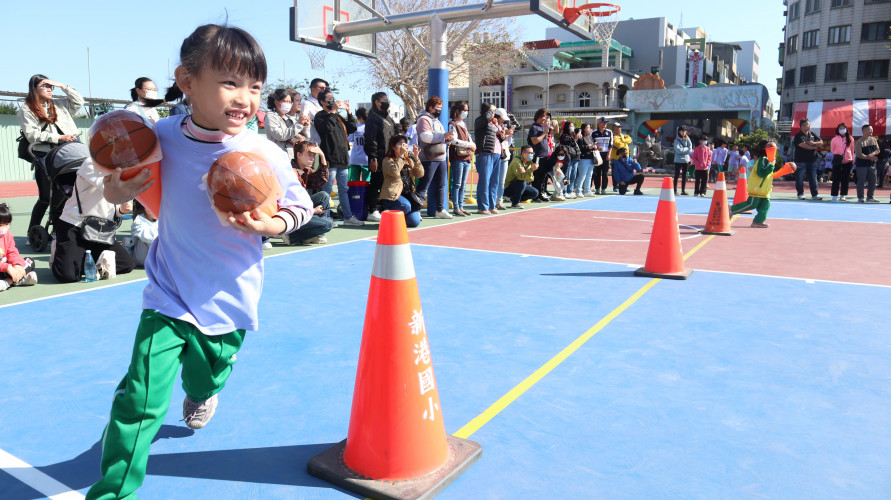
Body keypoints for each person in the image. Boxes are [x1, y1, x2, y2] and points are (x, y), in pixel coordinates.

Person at [84, 24, 314, 500]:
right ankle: (113, 492)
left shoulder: (262, 152)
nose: (245, 97)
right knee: (140, 398)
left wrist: (273, 225)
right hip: (167, 293)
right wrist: (115, 188)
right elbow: (112, 183)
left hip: (230, 296)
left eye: (255, 86)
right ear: (186, 82)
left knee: (207, 374)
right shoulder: (157, 137)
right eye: (230, 82)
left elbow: (302, 205)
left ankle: (204, 391)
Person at [50, 153, 136, 283]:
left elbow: (111, 204)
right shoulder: (91, 163)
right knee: (67, 276)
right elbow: (109, 188)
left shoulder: (118, 169)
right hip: (75, 226)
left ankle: (83, 259)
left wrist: (121, 210)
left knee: (126, 264)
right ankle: (59, 250)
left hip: (100, 230)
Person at [17, 74, 85, 235]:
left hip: (70, 152)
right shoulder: (26, 109)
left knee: (67, 193)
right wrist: (59, 138)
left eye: (51, 86)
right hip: (46, 154)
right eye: (45, 86)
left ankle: (58, 231)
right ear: (34, 89)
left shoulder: (58, 104)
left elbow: (79, 102)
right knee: (46, 197)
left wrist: (62, 86)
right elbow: (32, 135)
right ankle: (32, 233)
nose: (49, 89)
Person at [313, 89, 363, 226]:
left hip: (342, 158)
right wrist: (333, 111)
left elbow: (352, 128)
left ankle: (348, 217)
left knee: (344, 189)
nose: (332, 101)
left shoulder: (338, 117)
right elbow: (327, 129)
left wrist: (349, 112)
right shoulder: (320, 116)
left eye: (333, 98)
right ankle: (325, 218)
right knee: (327, 190)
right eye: (329, 99)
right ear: (322, 101)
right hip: (330, 158)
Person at [731, 141, 794, 228]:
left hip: (764, 189)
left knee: (765, 205)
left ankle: (758, 221)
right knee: (752, 204)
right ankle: (731, 210)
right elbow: (761, 173)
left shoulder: (768, 161)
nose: (774, 152)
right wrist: (771, 164)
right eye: (772, 150)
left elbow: (769, 175)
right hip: (757, 188)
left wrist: (783, 171)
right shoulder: (762, 160)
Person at [285, 142, 335, 244]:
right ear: (299, 155)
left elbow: (322, 179)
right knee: (328, 224)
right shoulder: (291, 172)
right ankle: (292, 236)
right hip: (290, 214)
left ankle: (313, 235)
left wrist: (322, 156)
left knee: (324, 196)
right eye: (309, 155)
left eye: (313, 156)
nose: (312, 158)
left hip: (300, 210)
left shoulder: (304, 170)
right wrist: (312, 211)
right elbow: (292, 204)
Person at [415, 96, 455, 219]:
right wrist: (444, 136)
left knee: (441, 185)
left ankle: (440, 209)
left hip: (441, 157)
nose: (439, 110)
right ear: (430, 107)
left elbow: (439, 137)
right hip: (429, 158)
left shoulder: (436, 121)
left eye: (441, 108)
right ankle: (416, 210)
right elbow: (425, 137)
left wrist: (447, 138)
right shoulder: (423, 119)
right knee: (424, 184)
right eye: (437, 108)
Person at [364, 92, 396, 222]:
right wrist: (373, 158)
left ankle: (384, 207)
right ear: (377, 102)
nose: (387, 102)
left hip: (389, 157)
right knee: (376, 182)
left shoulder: (388, 119)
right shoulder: (372, 119)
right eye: (384, 100)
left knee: (386, 183)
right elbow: (370, 140)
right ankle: (372, 210)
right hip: (378, 157)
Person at [380, 135, 424, 227]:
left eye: (405, 145)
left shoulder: (408, 161)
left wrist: (416, 158)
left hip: (407, 195)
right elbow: (395, 172)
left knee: (414, 222)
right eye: (400, 145)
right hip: (392, 196)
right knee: (405, 206)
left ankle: (399, 218)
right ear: (393, 147)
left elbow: (420, 174)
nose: (403, 147)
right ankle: (387, 214)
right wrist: (400, 156)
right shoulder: (387, 160)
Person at [0, 203, 38, 291]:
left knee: (29, 261)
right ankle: (16, 281)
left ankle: (9, 281)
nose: (4, 228)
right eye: (0, 225)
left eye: (7, 224)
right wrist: (7, 267)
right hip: (4, 268)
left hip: (7, 269)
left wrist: (18, 265)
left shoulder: (8, 236)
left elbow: (12, 253)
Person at [474, 102, 502, 214]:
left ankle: (491, 205)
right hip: (485, 153)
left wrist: (502, 134)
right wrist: (491, 109)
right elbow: (485, 119)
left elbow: (497, 137)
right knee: (484, 181)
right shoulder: (480, 120)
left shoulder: (493, 123)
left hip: (496, 153)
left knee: (494, 182)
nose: (494, 113)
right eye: (492, 111)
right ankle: (483, 207)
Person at [793, 118, 824, 200]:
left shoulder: (812, 134)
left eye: (809, 124)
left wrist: (813, 143)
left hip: (812, 160)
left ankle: (815, 194)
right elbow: (804, 145)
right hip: (801, 161)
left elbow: (821, 142)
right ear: (802, 126)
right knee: (800, 178)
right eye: (807, 124)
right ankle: (800, 193)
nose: (809, 126)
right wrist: (814, 147)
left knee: (813, 178)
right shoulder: (798, 136)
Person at [264, 88, 297, 153]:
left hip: (292, 155)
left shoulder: (290, 118)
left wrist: (305, 125)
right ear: (276, 102)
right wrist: (299, 125)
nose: (288, 104)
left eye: (290, 102)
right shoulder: (271, 116)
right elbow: (280, 135)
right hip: (276, 154)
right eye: (285, 101)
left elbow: (302, 136)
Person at [494, 108, 515, 209]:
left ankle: (499, 201)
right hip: (496, 155)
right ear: (497, 117)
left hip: (505, 156)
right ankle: (492, 201)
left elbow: (508, 144)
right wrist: (505, 134)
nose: (503, 121)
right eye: (502, 118)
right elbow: (496, 141)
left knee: (502, 181)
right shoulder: (493, 127)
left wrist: (509, 136)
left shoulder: (503, 127)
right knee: (494, 181)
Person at [854, 124, 881, 203]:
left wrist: (872, 155)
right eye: (870, 130)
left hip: (872, 164)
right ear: (864, 131)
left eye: (872, 129)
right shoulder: (859, 141)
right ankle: (860, 197)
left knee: (873, 181)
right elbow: (859, 154)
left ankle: (870, 197)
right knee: (861, 181)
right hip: (862, 165)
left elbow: (878, 150)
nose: (871, 131)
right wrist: (869, 157)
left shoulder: (874, 140)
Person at [829, 123, 854, 202]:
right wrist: (839, 153)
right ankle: (834, 195)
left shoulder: (850, 138)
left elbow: (852, 150)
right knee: (836, 178)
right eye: (840, 128)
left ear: (846, 129)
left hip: (848, 160)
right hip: (838, 160)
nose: (842, 130)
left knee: (845, 178)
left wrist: (852, 159)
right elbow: (832, 150)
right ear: (838, 130)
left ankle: (843, 195)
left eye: (844, 128)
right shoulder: (834, 139)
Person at [559, 121, 581, 199]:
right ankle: (564, 191)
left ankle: (570, 190)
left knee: (573, 176)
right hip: (569, 158)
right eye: (571, 126)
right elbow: (567, 144)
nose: (572, 127)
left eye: (573, 126)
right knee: (567, 175)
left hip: (575, 157)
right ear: (567, 127)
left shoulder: (573, 135)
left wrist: (577, 136)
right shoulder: (564, 136)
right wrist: (574, 139)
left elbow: (577, 145)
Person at [575, 123, 597, 197]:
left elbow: (593, 145)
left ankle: (587, 190)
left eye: (590, 127)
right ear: (584, 129)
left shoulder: (590, 137)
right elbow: (580, 147)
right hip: (583, 158)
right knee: (582, 175)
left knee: (589, 175)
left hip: (591, 158)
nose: (590, 129)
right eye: (588, 127)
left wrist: (595, 147)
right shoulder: (581, 137)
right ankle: (578, 190)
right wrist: (588, 147)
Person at [591, 117, 613, 195]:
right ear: (599, 123)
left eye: (606, 123)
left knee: (605, 173)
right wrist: (597, 147)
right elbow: (591, 143)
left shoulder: (609, 132)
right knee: (596, 172)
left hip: (606, 154)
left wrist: (609, 154)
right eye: (603, 123)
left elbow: (611, 144)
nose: (604, 124)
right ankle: (597, 188)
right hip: (597, 154)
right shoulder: (594, 133)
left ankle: (603, 188)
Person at [303, 78, 328, 143]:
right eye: (321, 88)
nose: (324, 90)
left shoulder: (326, 105)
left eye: (325, 88)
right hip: (313, 141)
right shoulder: (306, 104)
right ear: (313, 89)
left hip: (325, 141)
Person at [348, 107, 369, 182]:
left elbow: (349, 139)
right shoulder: (370, 127)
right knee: (366, 181)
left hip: (355, 158)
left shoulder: (355, 127)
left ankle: (355, 190)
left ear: (359, 117)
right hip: (366, 158)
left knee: (354, 180)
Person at [609, 123, 631, 193]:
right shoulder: (613, 136)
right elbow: (620, 145)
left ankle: (624, 186)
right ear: (614, 129)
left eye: (620, 127)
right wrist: (624, 141)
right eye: (618, 127)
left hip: (625, 157)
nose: (620, 129)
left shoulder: (622, 136)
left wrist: (623, 140)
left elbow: (630, 139)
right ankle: (616, 186)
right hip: (616, 158)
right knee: (616, 173)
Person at [672, 125, 693, 195]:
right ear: (679, 132)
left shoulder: (688, 139)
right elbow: (678, 150)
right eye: (682, 131)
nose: (683, 132)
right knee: (677, 175)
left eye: (685, 131)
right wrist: (686, 149)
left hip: (686, 160)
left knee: (684, 176)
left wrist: (684, 150)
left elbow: (690, 149)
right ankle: (675, 190)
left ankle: (683, 190)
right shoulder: (676, 140)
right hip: (678, 160)